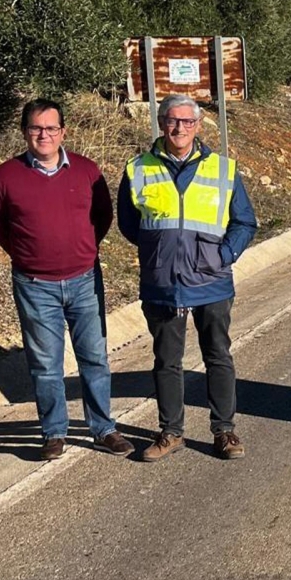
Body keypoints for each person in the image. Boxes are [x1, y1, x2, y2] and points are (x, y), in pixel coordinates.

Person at [0, 99, 133, 461]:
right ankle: (53, 432)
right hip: (35, 285)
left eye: (51, 128)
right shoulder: (5, 176)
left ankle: (103, 428)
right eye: (36, 128)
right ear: (25, 132)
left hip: (84, 279)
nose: (44, 135)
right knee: (45, 364)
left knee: (95, 358)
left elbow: (103, 215)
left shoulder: (87, 171)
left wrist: (79, 249)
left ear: (63, 132)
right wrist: (29, 254)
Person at [117, 94, 258, 461]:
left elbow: (244, 221)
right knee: (167, 360)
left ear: (198, 126)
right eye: (171, 120)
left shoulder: (223, 169)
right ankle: (171, 432)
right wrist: (158, 252)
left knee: (218, 356)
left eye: (187, 121)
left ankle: (224, 430)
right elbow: (130, 224)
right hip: (162, 282)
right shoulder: (137, 168)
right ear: (161, 123)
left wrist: (223, 255)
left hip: (211, 280)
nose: (179, 128)